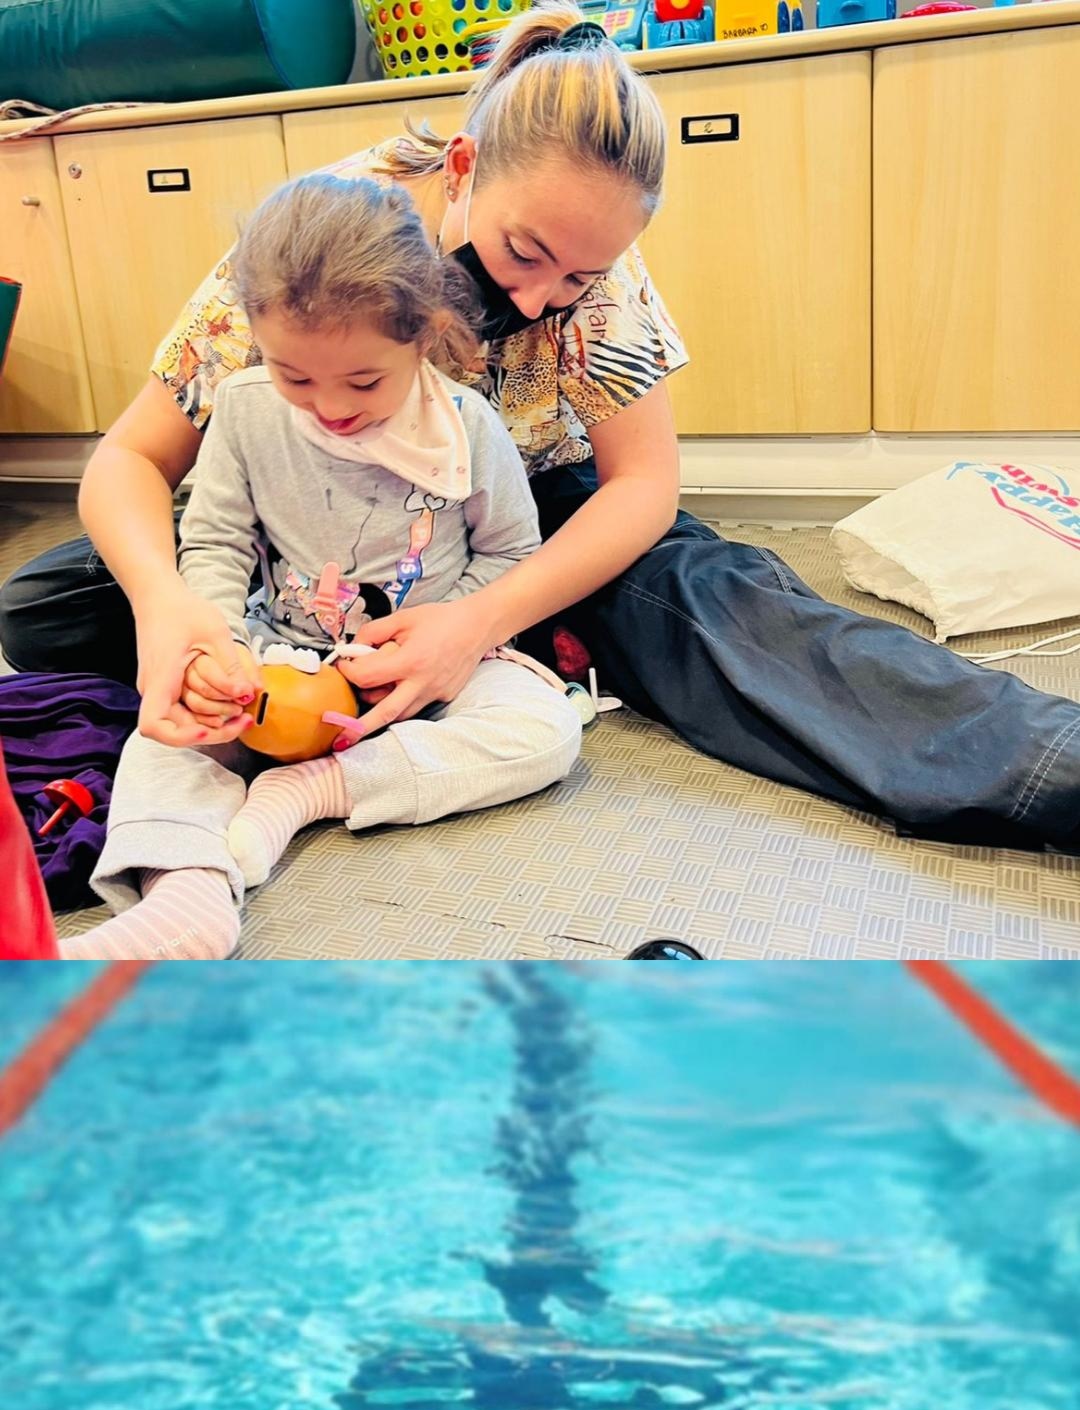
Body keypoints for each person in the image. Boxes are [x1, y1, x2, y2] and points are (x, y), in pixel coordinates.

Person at [3, 1, 1078, 852]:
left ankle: (1046, 766)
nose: (538, 297)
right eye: (524, 254)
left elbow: (642, 485)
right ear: (463, 169)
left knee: (724, 608)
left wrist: (479, 618)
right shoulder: (323, 234)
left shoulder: (601, 277)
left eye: (578, 275)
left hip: (516, 523)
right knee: (47, 609)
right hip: (302, 521)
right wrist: (171, 608)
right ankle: (484, 654)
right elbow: (131, 459)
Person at [56, 173, 581, 960]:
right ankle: (185, 896)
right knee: (168, 741)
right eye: (294, 377)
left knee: (545, 732)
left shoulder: (468, 427)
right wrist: (217, 647)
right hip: (278, 659)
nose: (331, 407)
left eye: (365, 381)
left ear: (424, 334)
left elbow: (513, 553)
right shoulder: (243, 410)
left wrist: (446, 633)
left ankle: (314, 790)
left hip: (431, 669)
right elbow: (216, 544)